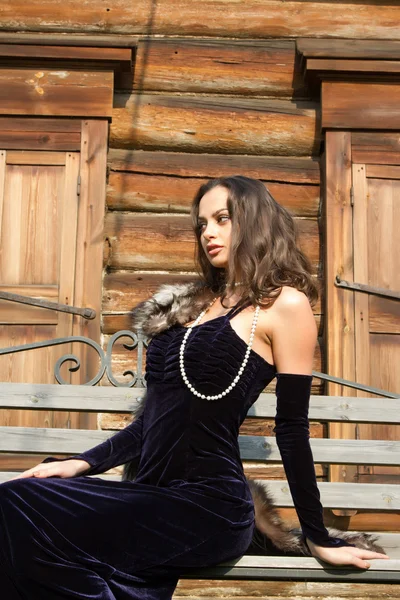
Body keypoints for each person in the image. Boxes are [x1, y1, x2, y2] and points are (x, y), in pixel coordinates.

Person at [0, 176, 387, 599]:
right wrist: (79, 464)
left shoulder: (284, 305)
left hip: (210, 507)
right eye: (202, 224)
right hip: (149, 497)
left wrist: (316, 536)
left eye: (222, 219)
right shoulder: (191, 306)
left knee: (19, 507)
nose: (209, 232)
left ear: (255, 222)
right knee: (21, 495)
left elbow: (291, 430)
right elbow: (149, 424)